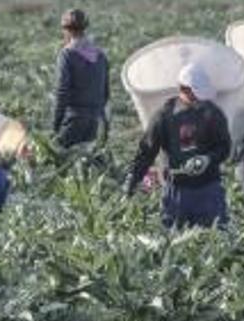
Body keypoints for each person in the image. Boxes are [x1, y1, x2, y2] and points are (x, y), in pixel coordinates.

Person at [123, 63, 232, 229]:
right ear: (184, 89)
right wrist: (131, 183)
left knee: (217, 237)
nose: (199, 100)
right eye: (195, 95)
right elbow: (146, 151)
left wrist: (208, 159)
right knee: (175, 241)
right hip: (177, 192)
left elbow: (224, 147)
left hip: (209, 189)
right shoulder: (164, 116)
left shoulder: (213, 113)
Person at [53, 9, 110, 148]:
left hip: (74, 118)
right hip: (93, 121)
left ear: (66, 30)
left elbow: (62, 91)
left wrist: (56, 123)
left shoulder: (67, 54)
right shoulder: (100, 55)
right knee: (83, 161)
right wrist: (102, 120)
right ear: (85, 28)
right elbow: (105, 92)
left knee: (56, 157)